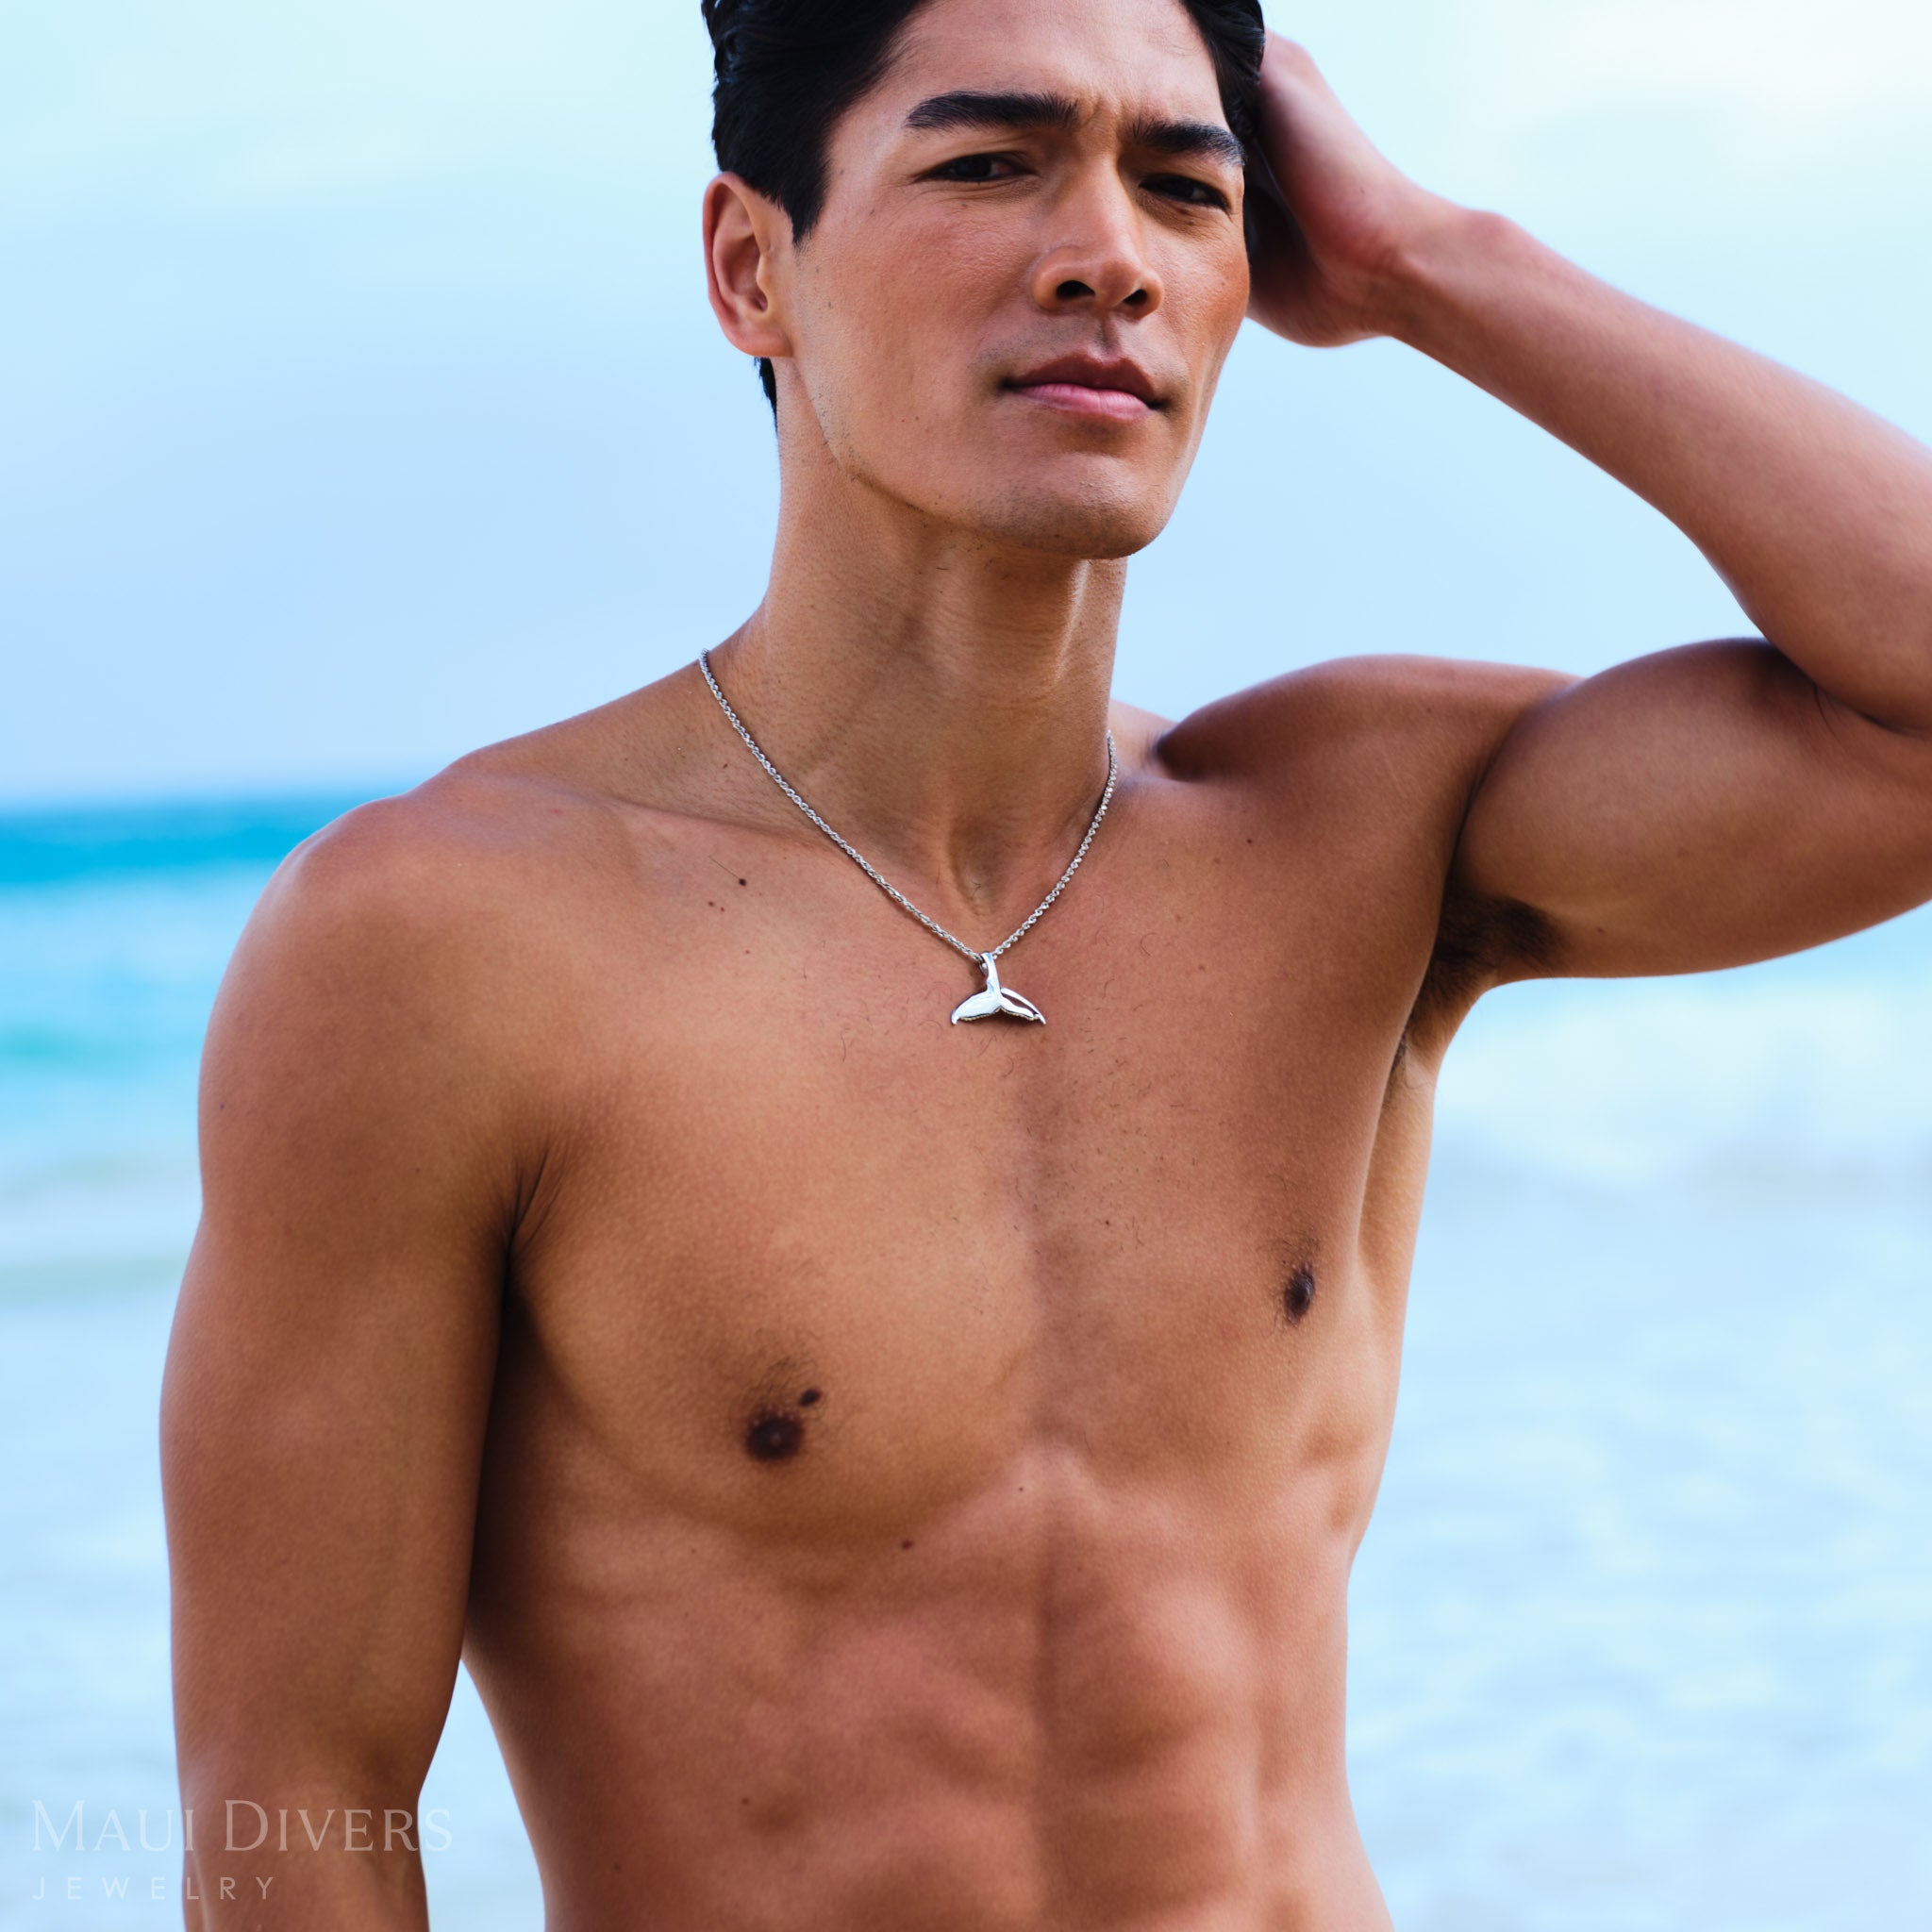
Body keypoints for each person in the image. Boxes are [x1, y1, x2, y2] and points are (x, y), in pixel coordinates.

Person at [160, 0, 1932, 1924]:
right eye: (989, 162)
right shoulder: (444, 940)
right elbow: (295, 1796)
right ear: (752, 265)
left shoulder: (1359, 835)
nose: (1107, 254)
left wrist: (1435, 260)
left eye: (1185, 187)